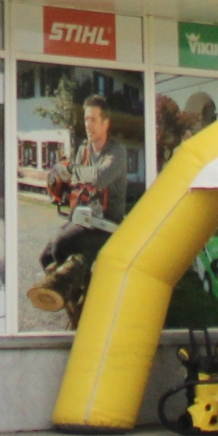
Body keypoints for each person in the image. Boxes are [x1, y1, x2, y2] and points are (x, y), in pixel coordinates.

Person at [34, 95, 132, 313]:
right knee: (45, 257)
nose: (88, 125)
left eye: (93, 120)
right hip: (84, 219)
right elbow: (74, 182)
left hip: (106, 224)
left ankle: (82, 295)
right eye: (86, 119)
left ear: (106, 123)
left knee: (61, 245)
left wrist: (70, 170)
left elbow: (98, 177)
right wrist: (59, 176)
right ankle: (72, 303)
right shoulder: (83, 150)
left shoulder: (117, 152)